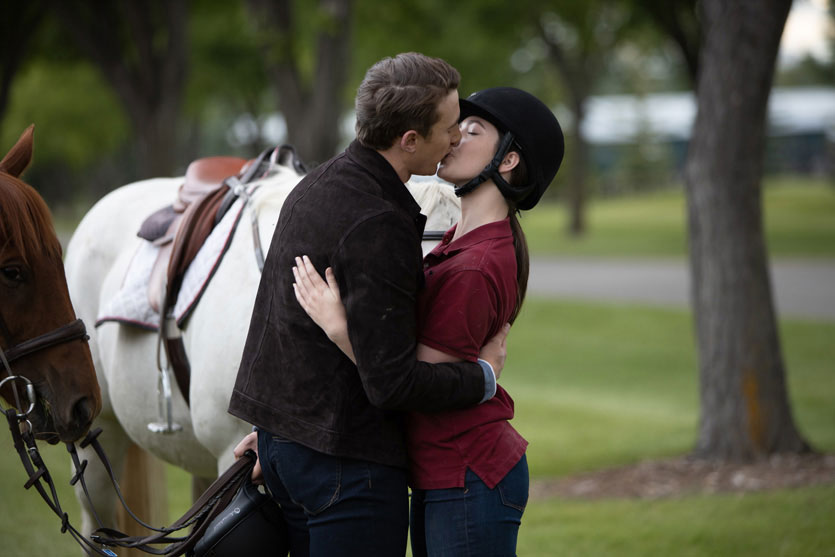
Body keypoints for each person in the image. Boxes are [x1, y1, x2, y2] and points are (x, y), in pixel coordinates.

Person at [227, 53, 510, 557]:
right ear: (410, 140)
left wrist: (275, 433)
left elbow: (281, 332)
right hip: (347, 466)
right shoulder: (378, 222)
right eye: (449, 128)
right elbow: (393, 382)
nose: (455, 139)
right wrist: (483, 378)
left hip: (287, 449)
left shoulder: (316, 186)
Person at [292, 87, 564, 556]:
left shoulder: (476, 264)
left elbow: (414, 383)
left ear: (508, 161)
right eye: (456, 126)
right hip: (443, 474)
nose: (454, 136)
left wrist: (339, 327)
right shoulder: (457, 240)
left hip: (467, 473)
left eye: (472, 131)